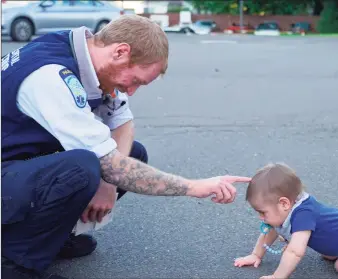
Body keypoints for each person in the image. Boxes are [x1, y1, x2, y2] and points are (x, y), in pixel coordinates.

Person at [1, 15, 251, 279]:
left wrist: (107, 185)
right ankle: (15, 263)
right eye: (137, 81)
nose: (130, 92)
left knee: (131, 153)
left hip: (18, 163)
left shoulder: (86, 52)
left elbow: (122, 121)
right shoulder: (50, 76)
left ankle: (52, 237)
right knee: (82, 168)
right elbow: (110, 164)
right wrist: (193, 187)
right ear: (121, 51)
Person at [234, 163, 338, 279]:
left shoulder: (304, 214)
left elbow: (295, 252)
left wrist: (278, 276)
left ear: (284, 203)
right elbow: (270, 230)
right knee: (329, 253)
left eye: (262, 212)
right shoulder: (288, 208)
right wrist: (256, 255)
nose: (260, 217)